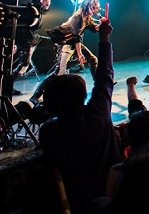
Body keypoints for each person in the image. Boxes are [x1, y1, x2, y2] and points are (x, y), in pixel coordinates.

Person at [38, 17, 121, 212]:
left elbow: (105, 78)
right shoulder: (97, 116)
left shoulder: (49, 132)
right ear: (83, 96)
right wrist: (104, 39)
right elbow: (105, 76)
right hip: (112, 195)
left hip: (76, 200)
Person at [30, 0, 101, 105]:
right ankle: (35, 96)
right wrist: (80, 54)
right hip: (66, 43)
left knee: (92, 59)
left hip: (73, 42)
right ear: (87, 6)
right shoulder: (77, 17)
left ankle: (100, 85)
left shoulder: (87, 17)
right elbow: (76, 37)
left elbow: (94, 29)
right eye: (93, 7)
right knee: (58, 72)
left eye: (96, 8)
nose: (95, 10)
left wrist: (101, 24)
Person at [11, 0, 58, 95]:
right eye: (45, 1)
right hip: (26, 40)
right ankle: (7, 85)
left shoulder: (40, 12)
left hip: (32, 39)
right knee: (24, 64)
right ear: (41, 1)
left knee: (52, 42)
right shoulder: (35, 7)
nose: (48, 3)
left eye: (49, 2)